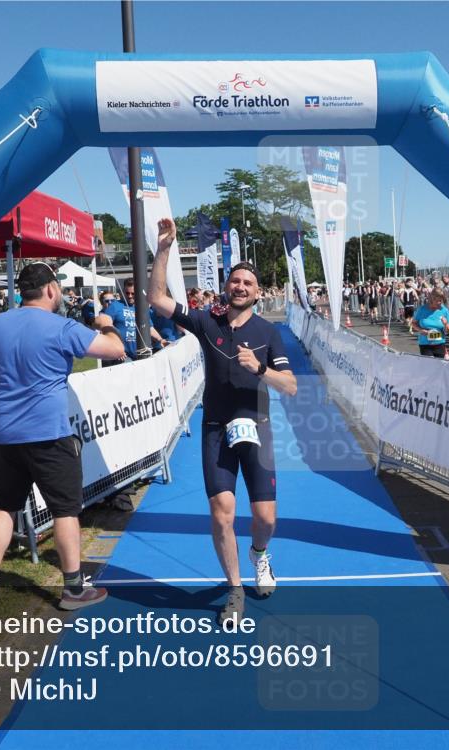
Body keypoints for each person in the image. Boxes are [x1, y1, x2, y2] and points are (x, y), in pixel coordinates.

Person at [148, 218, 297, 626]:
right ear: (226, 287)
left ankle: (259, 554)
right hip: (216, 429)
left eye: (248, 283)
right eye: (235, 281)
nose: (241, 287)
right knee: (222, 513)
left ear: (258, 292)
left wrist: (260, 369)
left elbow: (290, 386)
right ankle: (234, 590)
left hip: (256, 427)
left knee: (265, 518)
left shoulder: (269, 333)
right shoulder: (206, 322)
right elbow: (157, 298)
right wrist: (164, 249)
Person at [0, 261, 127, 610]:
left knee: (4, 506)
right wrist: (108, 325)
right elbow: (116, 350)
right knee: (65, 510)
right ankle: (73, 590)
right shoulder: (62, 326)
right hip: (49, 434)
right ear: (51, 290)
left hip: (6, 434)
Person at [412, 289, 449, 357]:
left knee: (439, 363)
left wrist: (446, 324)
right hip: (425, 344)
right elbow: (413, 324)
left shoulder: (444, 310)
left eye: (441, 301)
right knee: (430, 362)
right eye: (438, 300)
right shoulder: (422, 309)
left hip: (440, 344)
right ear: (432, 299)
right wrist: (421, 330)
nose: (439, 303)